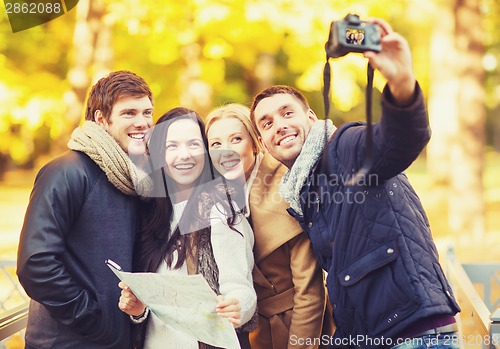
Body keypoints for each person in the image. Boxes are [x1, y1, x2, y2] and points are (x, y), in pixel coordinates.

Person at [249, 18, 461, 349]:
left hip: (415, 333)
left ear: (311, 118)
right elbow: (346, 279)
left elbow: (399, 140)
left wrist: (402, 83)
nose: (279, 125)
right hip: (376, 335)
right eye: (267, 122)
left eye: (287, 113)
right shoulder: (306, 190)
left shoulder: (345, 146)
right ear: (263, 143)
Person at [16, 70, 154, 349]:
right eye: (129, 113)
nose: (142, 122)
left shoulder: (136, 179)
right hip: (67, 343)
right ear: (101, 119)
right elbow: (36, 263)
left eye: (147, 112)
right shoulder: (66, 172)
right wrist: (94, 320)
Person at [117, 107, 257, 349]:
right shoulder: (149, 214)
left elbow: (240, 287)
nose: (185, 155)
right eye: (172, 146)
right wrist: (137, 309)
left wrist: (237, 304)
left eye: (193, 144)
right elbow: (153, 307)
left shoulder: (221, 210)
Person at [205, 103, 335, 349]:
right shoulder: (217, 198)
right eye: (216, 144)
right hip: (252, 329)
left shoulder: (285, 189)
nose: (226, 152)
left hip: (298, 325)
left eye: (236, 139)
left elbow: (309, 292)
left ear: (255, 142)